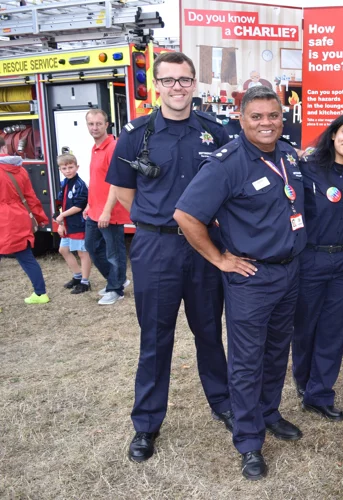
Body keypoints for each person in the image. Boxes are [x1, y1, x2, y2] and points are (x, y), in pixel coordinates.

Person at [173, 86, 306, 481]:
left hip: (289, 271)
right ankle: (249, 442)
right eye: (257, 117)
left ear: (283, 118)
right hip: (253, 278)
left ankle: (269, 413)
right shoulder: (227, 162)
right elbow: (185, 215)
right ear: (241, 119)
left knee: (277, 351)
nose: (267, 123)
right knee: (247, 363)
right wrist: (219, 259)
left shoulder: (286, 154)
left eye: (273, 116)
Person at [106, 51, 233, 463]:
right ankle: (146, 424)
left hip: (204, 249)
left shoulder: (216, 134)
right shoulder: (135, 134)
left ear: (195, 84)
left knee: (209, 333)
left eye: (185, 79)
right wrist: (157, 219)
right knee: (155, 339)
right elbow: (125, 194)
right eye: (169, 80)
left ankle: (224, 404)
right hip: (155, 248)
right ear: (155, 85)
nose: (178, 87)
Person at [292, 112, 343, 421]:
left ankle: (319, 393)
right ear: (332, 134)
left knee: (332, 330)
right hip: (310, 259)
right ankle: (303, 381)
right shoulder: (306, 169)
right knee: (304, 328)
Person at [83, 108, 130, 305]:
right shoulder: (95, 148)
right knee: (91, 247)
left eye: (98, 124)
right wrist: (88, 205)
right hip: (94, 210)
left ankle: (116, 289)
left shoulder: (113, 147)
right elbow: (96, 181)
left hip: (110, 212)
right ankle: (117, 279)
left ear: (107, 125)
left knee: (114, 252)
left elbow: (116, 183)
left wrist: (107, 211)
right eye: (91, 124)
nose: (94, 128)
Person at [0, 136, 50, 304]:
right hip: (19, 217)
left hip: (3, 219)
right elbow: (30, 197)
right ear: (5, 148)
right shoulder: (18, 168)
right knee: (26, 257)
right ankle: (40, 293)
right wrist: (40, 218)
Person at [55, 153, 91, 294]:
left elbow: (79, 205)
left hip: (78, 224)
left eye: (71, 167)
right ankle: (77, 276)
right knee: (63, 250)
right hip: (67, 224)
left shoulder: (80, 184)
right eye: (64, 168)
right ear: (60, 169)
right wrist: (61, 223)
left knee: (83, 253)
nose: (68, 170)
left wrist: (62, 215)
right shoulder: (64, 183)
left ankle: (85, 281)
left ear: (77, 167)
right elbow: (59, 204)